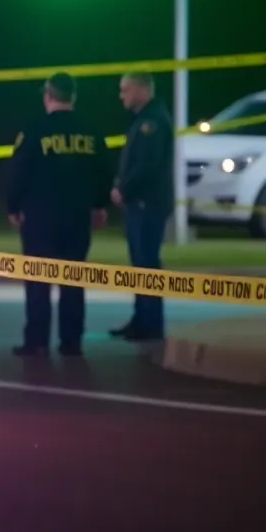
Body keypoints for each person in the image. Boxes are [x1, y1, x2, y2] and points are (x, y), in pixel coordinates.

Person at [6, 72, 112, 357]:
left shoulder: (34, 130)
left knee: (39, 281)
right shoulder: (91, 131)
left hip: (40, 218)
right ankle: (71, 341)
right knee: (73, 280)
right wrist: (100, 205)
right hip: (78, 217)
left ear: (48, 96)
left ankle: (37, 341)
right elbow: (104, 171)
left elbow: (18, 172)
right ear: (73, 97)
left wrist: (13, 207)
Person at [110, 72, 174, 341]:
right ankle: (142, 319)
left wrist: (123, 189)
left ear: (141, 90)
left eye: (126, 90)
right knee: (140, 263)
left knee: (146, 262)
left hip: (148, 202)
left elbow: (147, 165)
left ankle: (151, 324)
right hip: (141, 202)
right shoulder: (145, 119)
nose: (121, 95)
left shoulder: (152, 122)